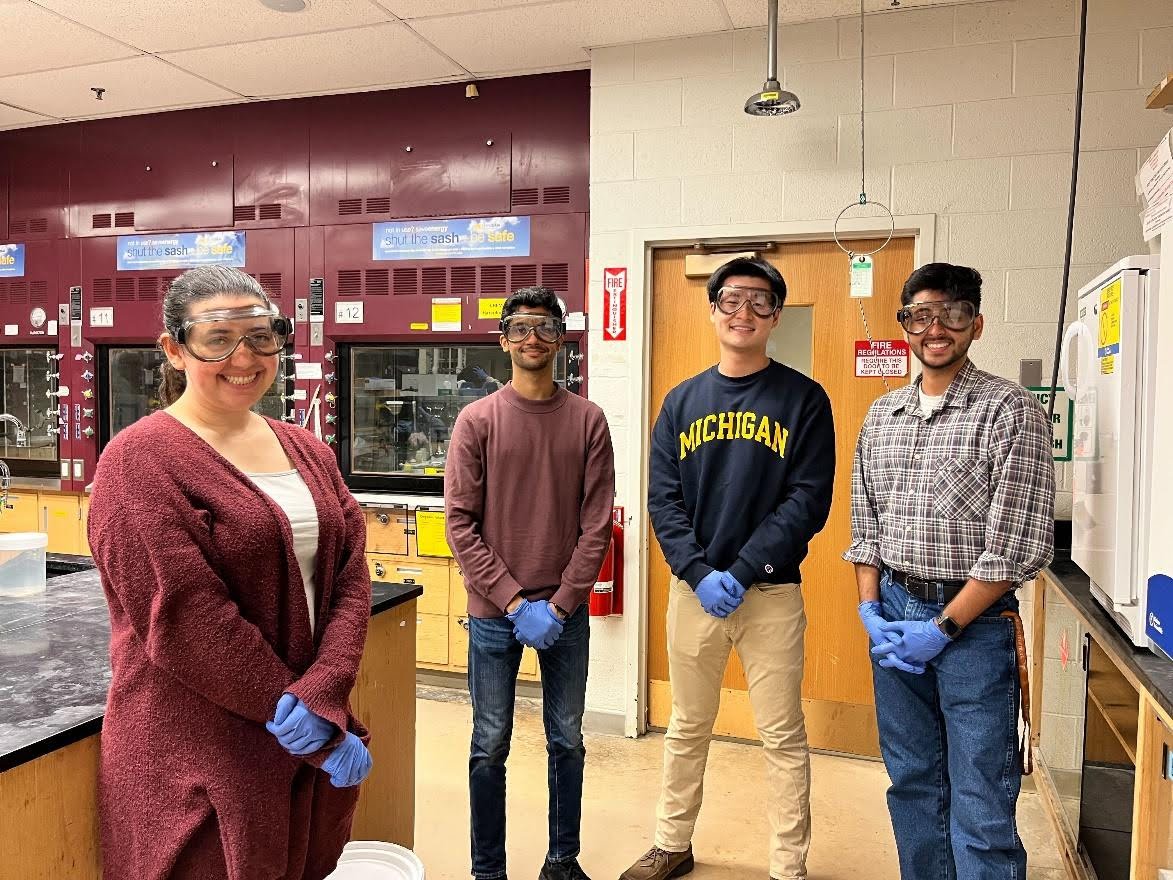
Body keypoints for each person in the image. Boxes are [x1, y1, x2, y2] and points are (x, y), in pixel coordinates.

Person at [87, 265, 374, 880]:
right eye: (218, 338)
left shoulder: (306, 448)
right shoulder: (136, 461)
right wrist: (301, 717)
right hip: (195, 751)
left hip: (298, 738)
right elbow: (186, 617)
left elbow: (350, 572)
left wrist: (324, 691)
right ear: (174, 349)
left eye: (262, 334)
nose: (244, 356)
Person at [622, 257, 836, 880]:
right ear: (713, 309)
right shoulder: (681, 401)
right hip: (694, 593)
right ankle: (672, 843)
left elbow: (808, 500)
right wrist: (696, 570)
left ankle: (787, 866)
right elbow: (663, 499)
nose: (744, 312)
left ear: (775, 316)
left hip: (769, 594)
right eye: (733, 300)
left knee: (782, 734)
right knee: (687, 726)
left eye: (760, 302)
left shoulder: (804, 399)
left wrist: (739, 572)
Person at [844, 262, 1055, 879]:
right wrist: (869, 611)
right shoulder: (882, 417)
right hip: (893, 617)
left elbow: (1015, 547)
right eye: (920, 316)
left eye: (953, 314)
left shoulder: (1010, 411)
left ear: (976, 324)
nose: (936, 328)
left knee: (982, 801)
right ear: (904, 326)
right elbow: (866, 531)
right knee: (911, 783)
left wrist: (943, 627)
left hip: (975, 629)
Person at [445, 286, 615, 880]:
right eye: (519, 329)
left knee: (566, 741)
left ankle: (561, 861)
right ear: (504, 341)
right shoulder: (477, 421)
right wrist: (516, 602)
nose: (532, 339)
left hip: (564, 619)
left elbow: (597, 525)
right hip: (495, 616)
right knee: (489, 743)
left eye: (544, 327)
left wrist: (562, 604)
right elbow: (459, 524)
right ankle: (487, 870)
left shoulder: (588, 421)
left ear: (562, 336)